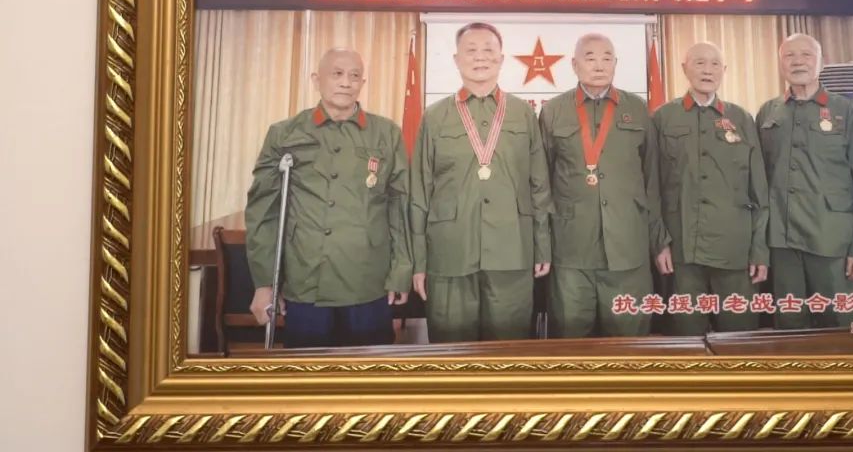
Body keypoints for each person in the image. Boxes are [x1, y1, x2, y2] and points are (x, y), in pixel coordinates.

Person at [244, 48, 411, 348]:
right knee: (307, 372)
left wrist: (401, 270)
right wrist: (266, 282)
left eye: (354, 76)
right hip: (305, 280)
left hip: (367, 281)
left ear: (362, 83)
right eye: (337, 74)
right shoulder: (284, 134)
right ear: (316, 79)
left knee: (370, 372)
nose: (346, 82)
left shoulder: (386, 133)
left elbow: (400, 205)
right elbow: (264, 212)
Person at [409, 22, 552, 342]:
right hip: (450, 253)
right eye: (471, 50)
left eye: (488, 50)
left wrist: (542, 245)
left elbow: (539, 185)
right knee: (451, 353)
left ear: (501, 59)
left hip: (512, 251)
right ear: (456, 59)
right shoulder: (434, 116)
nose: (480, 57)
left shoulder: (523, 113)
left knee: (509, 353)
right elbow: (419, 191)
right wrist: (418, 260)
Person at [539, 32, 668, 338]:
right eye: (590, 58)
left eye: (607, 58)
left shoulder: (638, 109)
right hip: (571, 250)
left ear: (615, 63)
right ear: (574, 65)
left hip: (628, 249)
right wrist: (542, 245)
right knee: (570, 343)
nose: (599, 65)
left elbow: (652, 181)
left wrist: (659, 241)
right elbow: (541, 183)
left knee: (630, 344)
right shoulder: (553, 110)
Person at [755, 33, 853, 329]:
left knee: (842, 325)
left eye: (806, 55)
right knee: (789, 325)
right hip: (783, 241)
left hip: (833, 240)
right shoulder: (768, 112)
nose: (797, 61)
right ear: (780, 64)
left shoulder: (845, 111)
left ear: (821, 63)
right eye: (789, 56)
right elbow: (759, 183)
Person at [652, 41, 769, 334]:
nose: (708, 70)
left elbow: (759, 191)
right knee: (686, 338)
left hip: (735, 250)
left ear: (724, 70)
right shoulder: (663, 118)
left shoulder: (741, 119)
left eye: (715, 64)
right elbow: (652, 187)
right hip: (681, 250)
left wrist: (759, 250)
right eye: (700, 62)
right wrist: (659, 242)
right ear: (684, 68)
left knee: (740, 337)